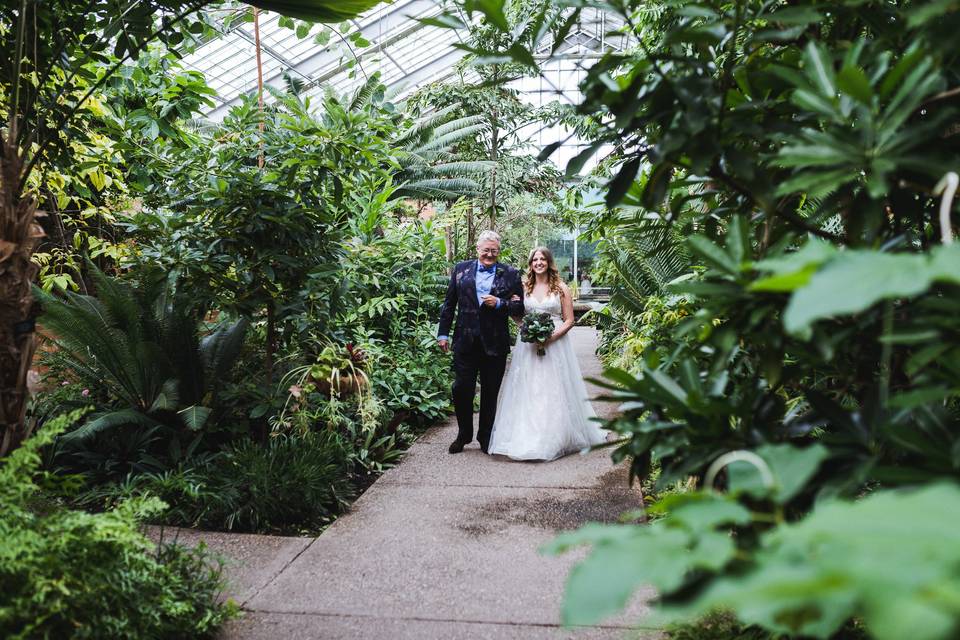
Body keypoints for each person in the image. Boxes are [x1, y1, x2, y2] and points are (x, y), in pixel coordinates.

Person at [488, 247, 607, 461]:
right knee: (529, 387)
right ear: (531, 263)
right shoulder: (523, 287)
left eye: (543, 259)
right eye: (535, 259)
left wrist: (550, 337)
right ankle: (527, 435)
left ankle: (557, 436)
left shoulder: (561, 287)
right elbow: (515, 314)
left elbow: (570, 320)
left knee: (555, 387)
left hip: (556, 343)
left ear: (549, 262)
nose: (539, 262)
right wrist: (527, 331)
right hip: (529, 345)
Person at [437, 231, 524, 454]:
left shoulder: (511, 273)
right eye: (486, 250)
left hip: (495, 342)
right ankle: (463, 434)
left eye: (494, 251)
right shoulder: (460, 270)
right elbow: (449, 304)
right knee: (461, 387)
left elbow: (519, 308)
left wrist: (499, 304)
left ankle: (485, 437)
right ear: (477, 249)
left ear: (499, 251)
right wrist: (443, 334)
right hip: (465, 340)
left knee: (490, 391)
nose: (489, 254)